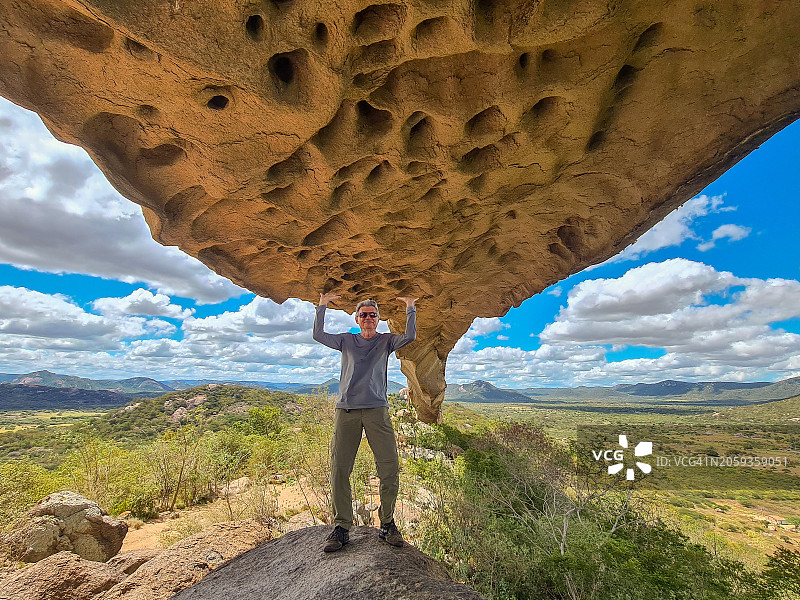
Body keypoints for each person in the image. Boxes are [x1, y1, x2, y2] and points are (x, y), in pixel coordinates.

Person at [313, 292, 417, 552]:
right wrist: (322, 305)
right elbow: (318, 335)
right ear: (357, 319)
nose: (368, 318)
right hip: (346, 410)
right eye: (364, 315)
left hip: (377, 410)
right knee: (339, 469)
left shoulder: (386, 341)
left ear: (379, 319)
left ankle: (387, 523)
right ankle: (341, 527)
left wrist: (410, 308)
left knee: (389, 467)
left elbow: (410, 337)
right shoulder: (347, 340)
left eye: (373, 314)